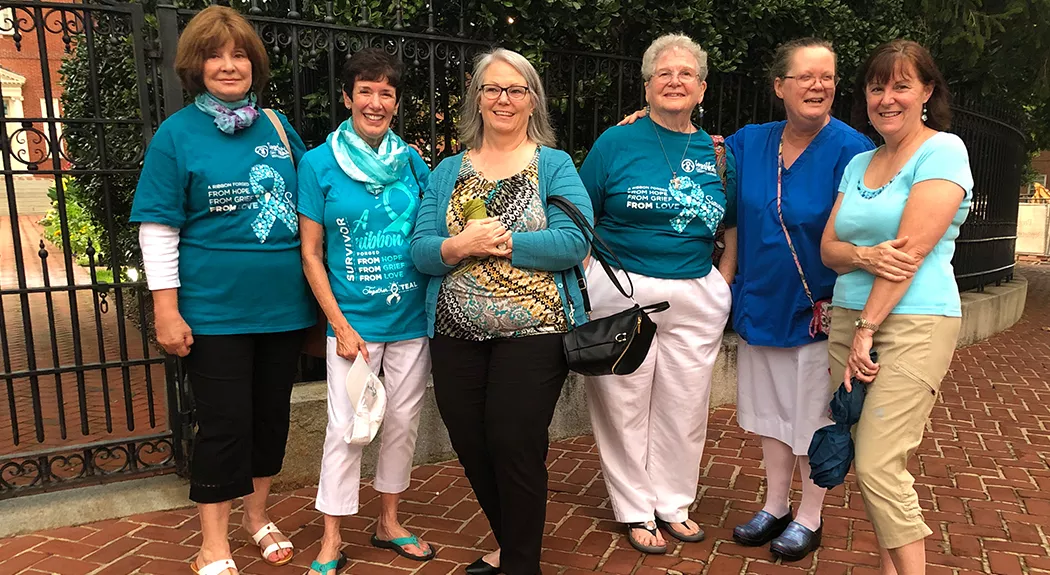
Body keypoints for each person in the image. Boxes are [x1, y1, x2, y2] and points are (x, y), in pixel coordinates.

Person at [130, 6, 314, 575]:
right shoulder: (176, 135)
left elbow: (315, 205)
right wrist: (166, 309)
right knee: (225, 423)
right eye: (215, 55)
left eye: (239, 55)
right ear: (196, 65)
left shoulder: (279, 128)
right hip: (214, 312)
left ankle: (256, 517)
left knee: (269, 421)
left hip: (283, 309)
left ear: (254, 64)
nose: (229, 65)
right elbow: (159, 226)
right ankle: (212, 541)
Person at [410, 48, 591, 575]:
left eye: (515, 89)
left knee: (513, 440)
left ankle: (520, 563)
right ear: (477, 98)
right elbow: (422, 250)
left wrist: (507, 243)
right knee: (470, 440)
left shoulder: (552, 164)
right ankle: (513, 544)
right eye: (492, 89)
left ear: (531, 99)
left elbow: (575, 240)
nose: (503, 99)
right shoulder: (448, 170)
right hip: (454, 329)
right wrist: (460, 245)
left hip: (536, 328)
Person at [579, 33, 737, 555]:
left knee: (686, 406)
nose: (675, 80)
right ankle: (634, 507)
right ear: (646, 87)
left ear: (702, 88)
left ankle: (673, 503)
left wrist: (724, 282)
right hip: (624, 288)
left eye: (686, 73)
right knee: (624, 404)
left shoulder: (717, 151)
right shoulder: (615, 143)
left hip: (696, 289)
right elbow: (580, 215)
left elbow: (730, 224)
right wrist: (590, 278)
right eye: (663, 73)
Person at [821, 39, 972, 575]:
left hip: (913, 320)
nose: (888, 98)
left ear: (927, 91)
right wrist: (862, 254)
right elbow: (829, 248)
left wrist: (867, 328)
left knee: (881, 461)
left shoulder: (943, 151)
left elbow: (910, 252)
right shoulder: (860, 160)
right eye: (877, 86)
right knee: (866, 457)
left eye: (902, 85)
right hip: (849, 319)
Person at [722, 39, 874, 561]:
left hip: (819, 312)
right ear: (779, 86)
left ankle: (810, 514)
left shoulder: (853, 150)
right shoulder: (749, 142)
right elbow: (694, 152)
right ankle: (774, 504)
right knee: (769, 414)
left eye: (827, 77)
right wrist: (643, 121)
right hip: (760, 301)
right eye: (805, 76)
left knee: (812, 417)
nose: (818, 86)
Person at [297, 48, 435, 574]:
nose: (375, 103)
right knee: (346, 428)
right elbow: (311, 253)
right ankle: (332, 537)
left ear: (395, 102)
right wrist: (339, 324)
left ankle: (389, 522)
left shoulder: (412, 162)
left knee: (401, 424)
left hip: (410, 322)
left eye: (386, 93)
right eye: (366, 91)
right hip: (353, 326)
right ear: (348, 96)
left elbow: (430, 232)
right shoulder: (318, 163)